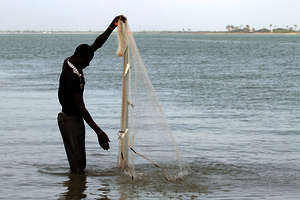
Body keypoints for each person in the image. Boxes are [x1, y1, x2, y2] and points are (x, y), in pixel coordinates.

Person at [57, 15, 126, 174]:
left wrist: (111, 27)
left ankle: (76, 189)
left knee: (79, 163)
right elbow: (81, 107)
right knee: (78, 165)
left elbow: (97, 44)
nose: (88, 64)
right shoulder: (71, 75)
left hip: (74, 119)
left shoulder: (73, 61)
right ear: (80, 57)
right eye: (87, 61)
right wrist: (99, 132)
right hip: (69, 120)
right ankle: (76, 192)